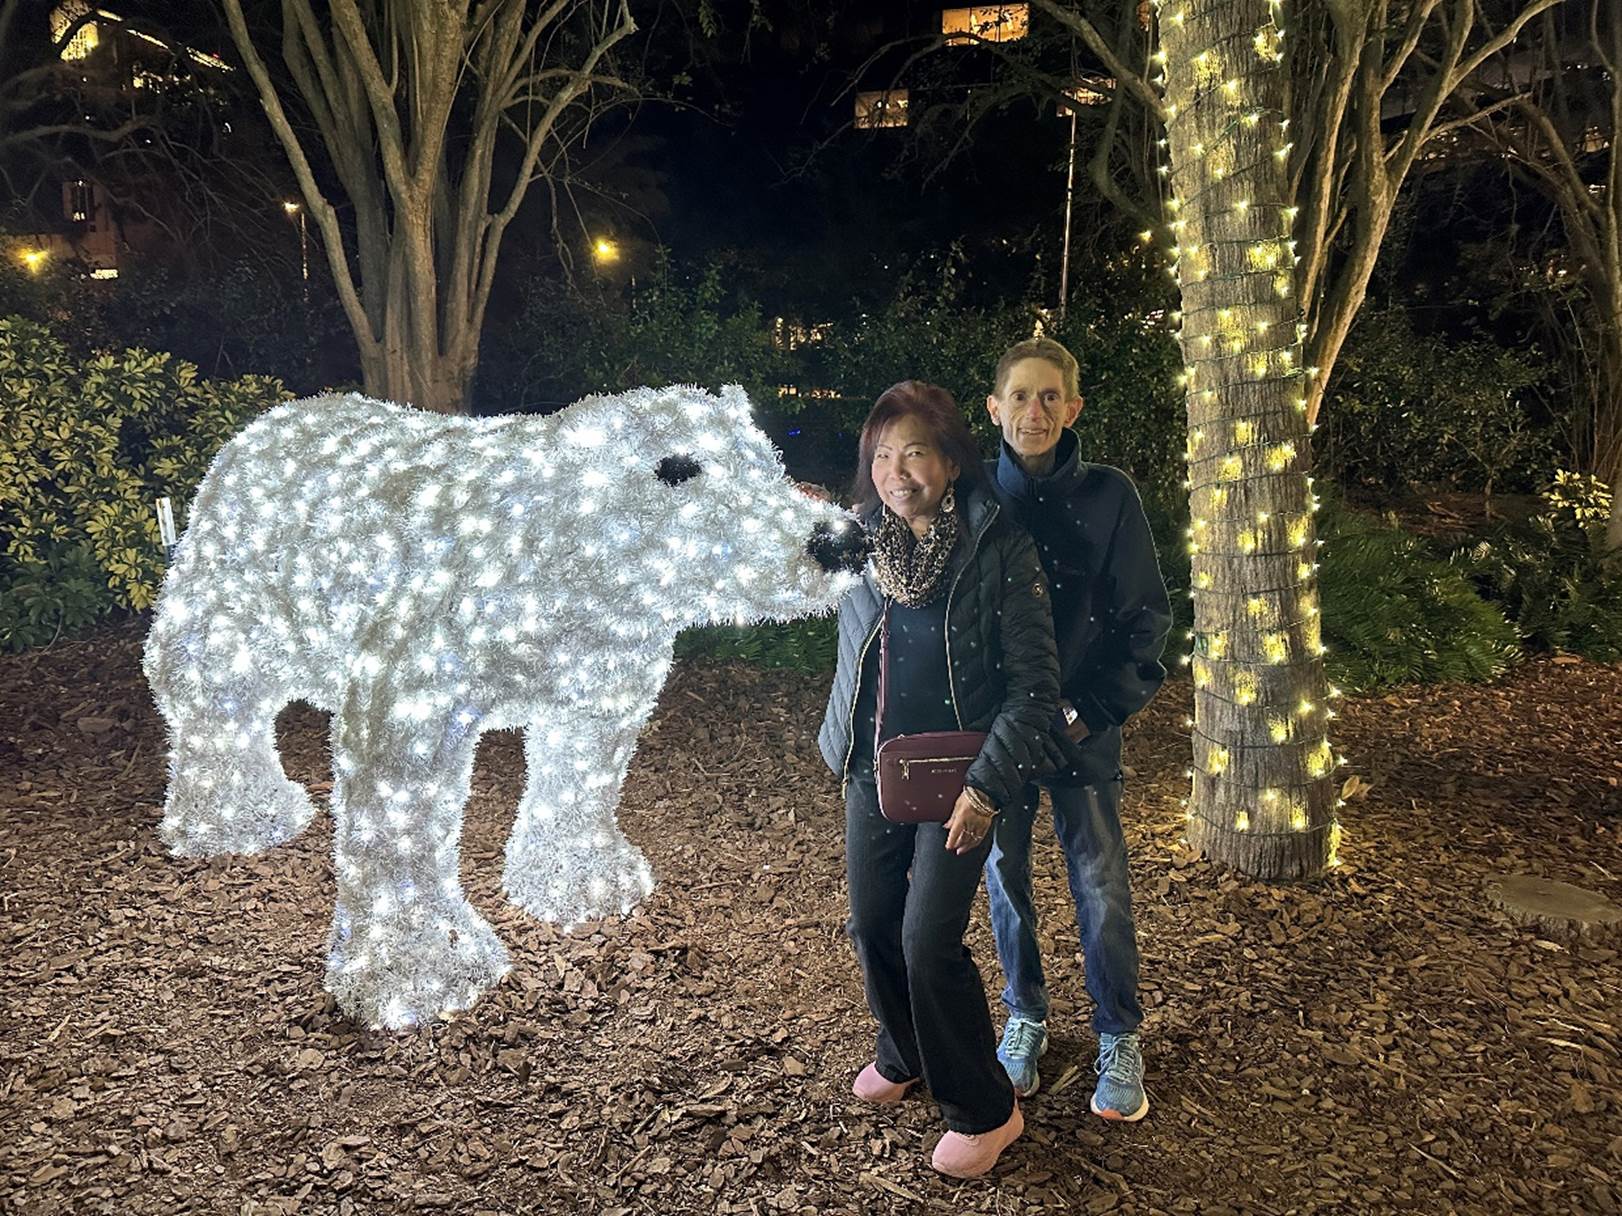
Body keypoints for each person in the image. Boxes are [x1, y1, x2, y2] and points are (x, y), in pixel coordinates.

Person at [817, 380, 1058, 1179]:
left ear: (951, 461)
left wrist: (987, 788)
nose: (896, 469)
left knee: (927, 944)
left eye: (914, 450)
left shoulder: (999, 546)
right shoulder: (859, 543)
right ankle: (907, 1050)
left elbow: (1034, 689)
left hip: (963, 781)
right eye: (882, 454)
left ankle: (986, 1109)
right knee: (872, 928)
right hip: (870, 769)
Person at [980, 336, 1173, 1122]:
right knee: (1005, 880)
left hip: (1085, 728)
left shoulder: (1111, 495)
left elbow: (1145, 620)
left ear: (1074, 407)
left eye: (1050, 396)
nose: (1035, 411)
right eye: (1020, 397)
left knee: (1099, 883)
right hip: (999, 736)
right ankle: (1023, 1015)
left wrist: (1090, 709)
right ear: (994, 409)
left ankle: (1117, 1033)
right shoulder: (974, 499)